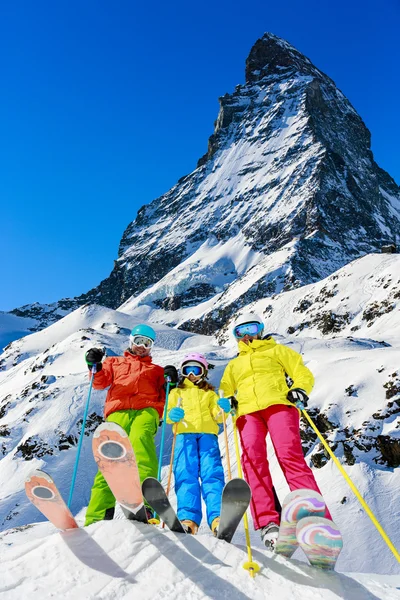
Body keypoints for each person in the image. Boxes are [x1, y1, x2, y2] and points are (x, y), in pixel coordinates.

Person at [219, 312, 332, 549]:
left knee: (289, 455)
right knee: (252, 461)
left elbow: (301, 372)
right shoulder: (234, 364)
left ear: (260, 329)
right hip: (248, 412)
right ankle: (268, 522)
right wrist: (227, 399)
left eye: (251, 329)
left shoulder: (277, 351)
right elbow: (225, 388)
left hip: (279, 404)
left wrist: (300, 389)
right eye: (241, 332)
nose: (247, 336)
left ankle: (314, 518)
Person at [84, 324, 166, 526]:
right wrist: (93, 364)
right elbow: (99, 382)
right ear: (131, 341)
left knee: (141, 444)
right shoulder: (114, 362)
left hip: (147, 410)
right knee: (110, 460)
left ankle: (146, 505)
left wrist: (170, 380)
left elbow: (168, 393)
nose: (142, 347)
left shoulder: (156, 370)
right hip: (118, 412)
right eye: (139, 341)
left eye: (147, 344)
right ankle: (97, 516)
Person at [167, 352, 230, 535]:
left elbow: (218, 416)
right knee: (185, 473)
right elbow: (168, 413)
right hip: (184, 435)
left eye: (196, 369)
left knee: (212, 473)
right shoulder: (176, 392)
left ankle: (218, 518)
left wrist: (223, 409)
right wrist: (172, 415)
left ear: (203, 372)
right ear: (183, 372)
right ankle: (188, 519)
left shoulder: (209, 393)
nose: (192, 374)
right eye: (188, 370)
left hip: (207, 434)